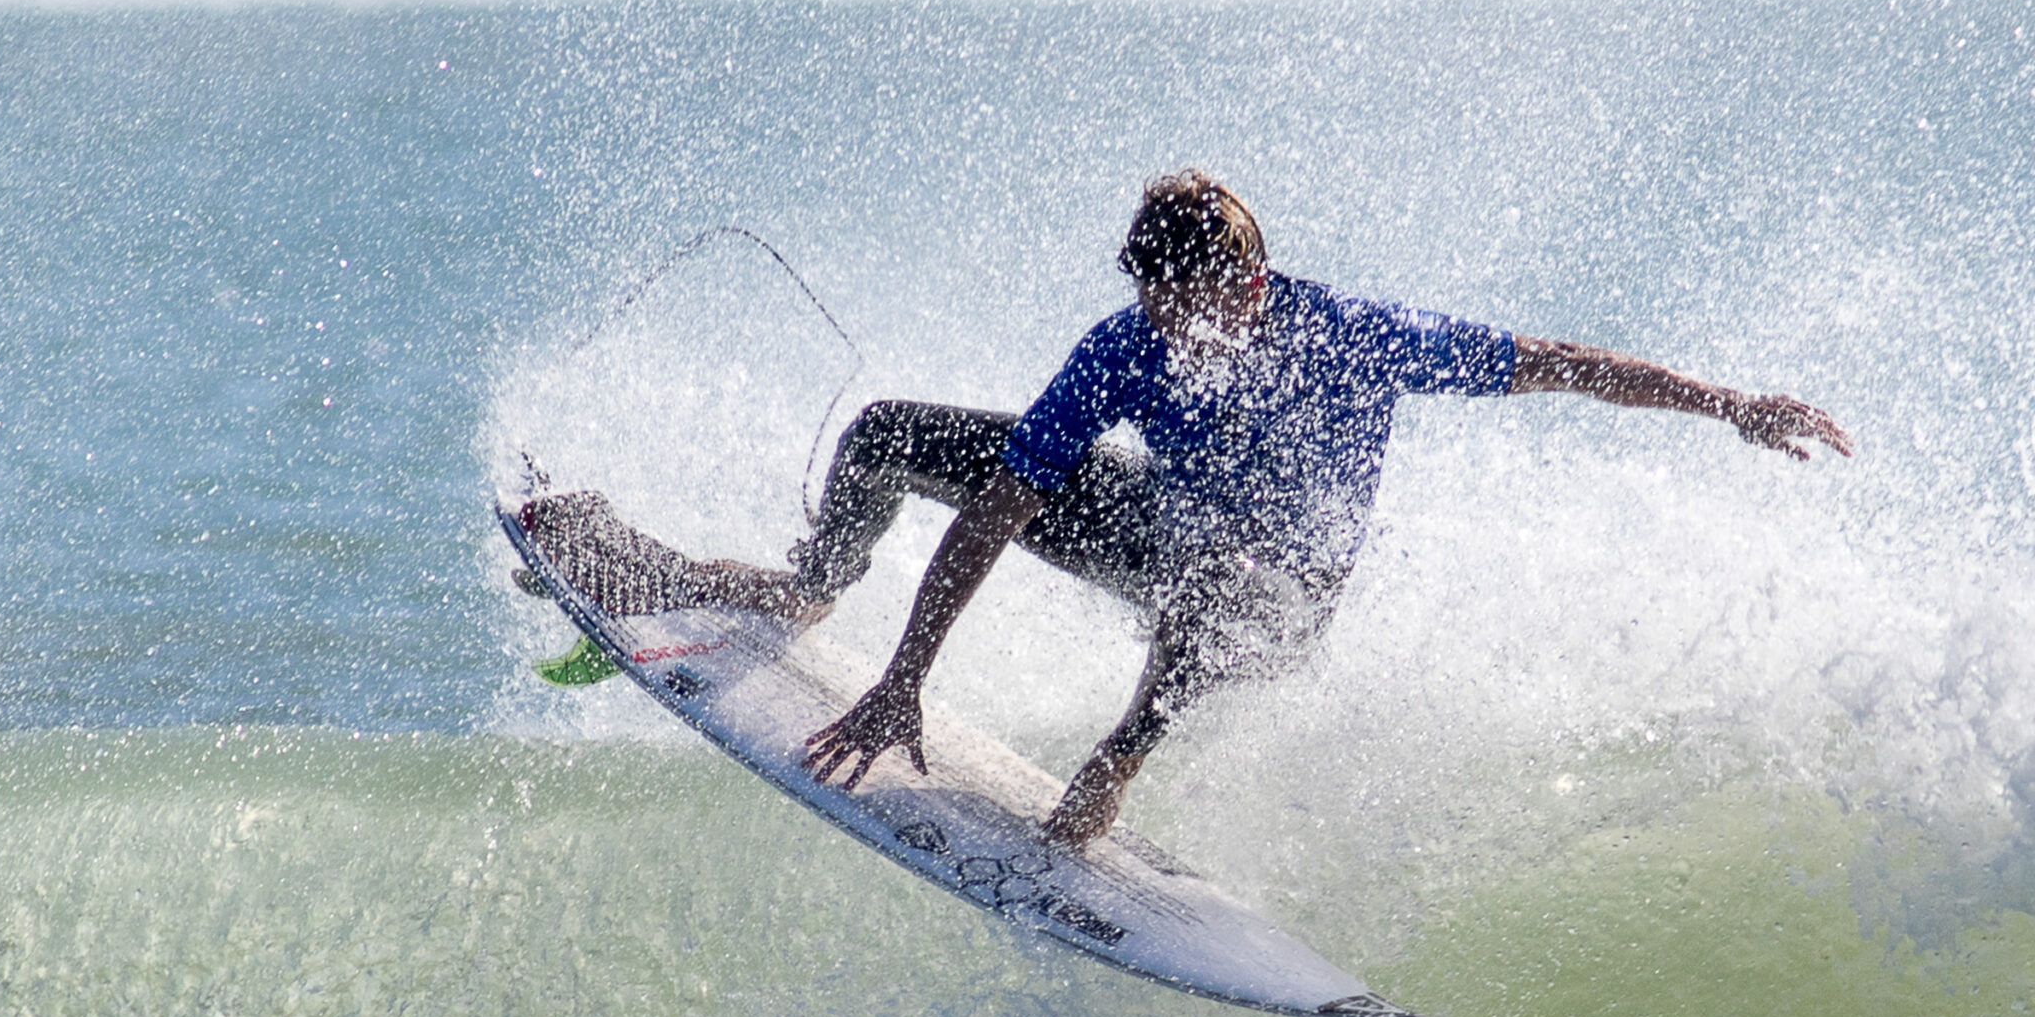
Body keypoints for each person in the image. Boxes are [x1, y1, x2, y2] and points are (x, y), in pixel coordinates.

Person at [790, 171, 1849, 847]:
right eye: (1153, 308)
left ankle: (1115, 767)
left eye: (1187, 313)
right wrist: (903, 676)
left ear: (1248, 285)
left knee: (1216, 576)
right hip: (1163, 526)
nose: (1168, 337)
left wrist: (1730, 406)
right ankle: (807, 589)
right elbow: (999, 506)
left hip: (1282, 602)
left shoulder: (1357, 335)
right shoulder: (1125, 346)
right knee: (888, 434)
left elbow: (1560, 364)